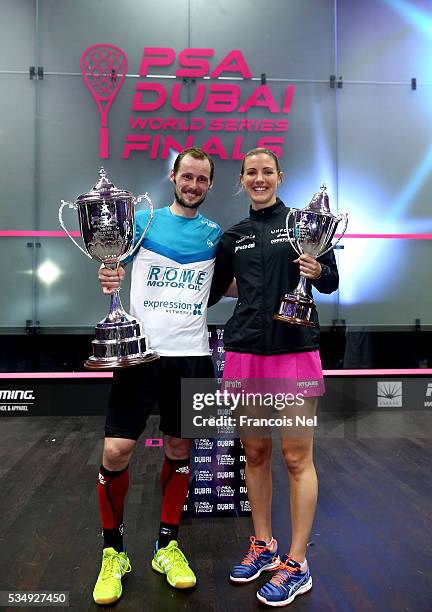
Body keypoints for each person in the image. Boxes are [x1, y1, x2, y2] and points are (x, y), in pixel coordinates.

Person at [208, 148, 339, 607]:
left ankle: (297, 563)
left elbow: (330, 282)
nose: (259, 179)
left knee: (297, 458)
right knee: (256, 451)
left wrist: (317, 268)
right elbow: (212, 290)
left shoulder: (302, 225)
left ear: (280, 177)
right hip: (244, 353)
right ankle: (263, 545)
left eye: (267, 172)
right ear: (241, 180)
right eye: (252, 173)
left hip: (295, 355)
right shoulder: (233, 236)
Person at [92, 148, 222, 605]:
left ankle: (167, 546)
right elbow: (113, 266)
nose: (192, 184)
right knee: (116, 449)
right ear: (173, 177)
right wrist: (109, 277)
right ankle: (113, 553)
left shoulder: (216, 235)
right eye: (187, 176)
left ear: (209, 184)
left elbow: (234, 285)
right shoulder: (143, 223)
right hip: (141, 354)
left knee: (180, 447)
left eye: (201, 179)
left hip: (194, 358)